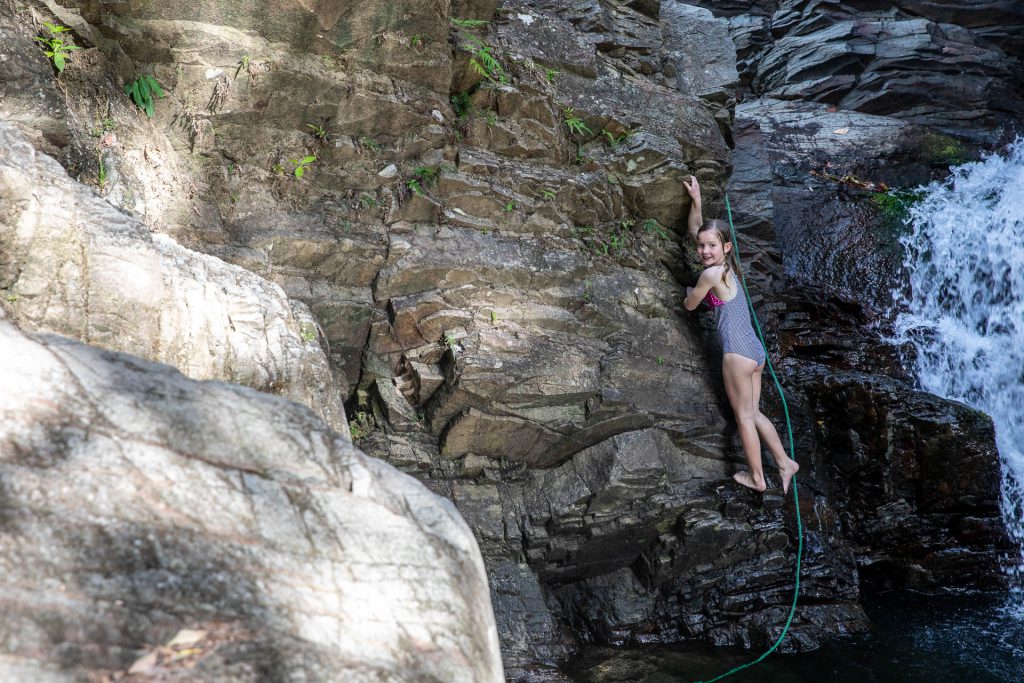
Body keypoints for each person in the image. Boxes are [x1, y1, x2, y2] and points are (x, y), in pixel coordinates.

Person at [681, 175, 799, 494]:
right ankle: (785, 462)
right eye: (701, 246)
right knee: (755, 412)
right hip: (755, 353)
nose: (704, 250)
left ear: (726, 247)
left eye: (711, 246)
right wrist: (697, 202)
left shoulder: (709, 274)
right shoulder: (729, 268)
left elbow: (690, 305)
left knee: (744, 417)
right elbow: (697, 230)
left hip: (736, 354)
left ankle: (757, 478)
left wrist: (691, 291)